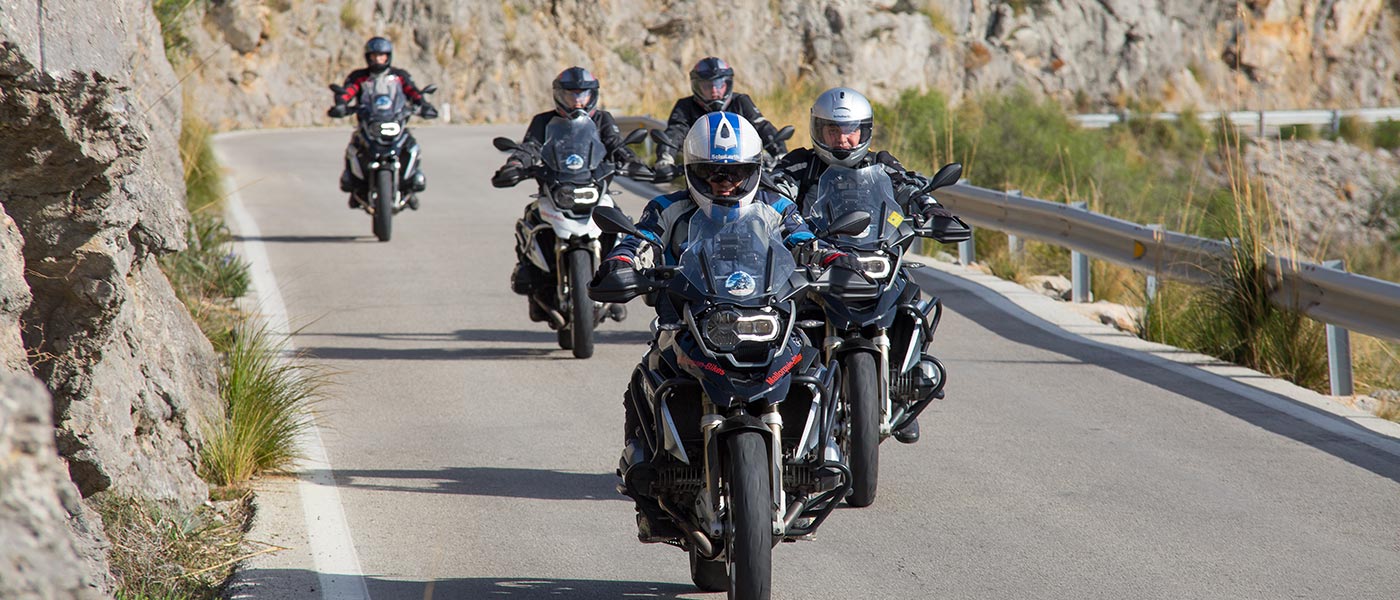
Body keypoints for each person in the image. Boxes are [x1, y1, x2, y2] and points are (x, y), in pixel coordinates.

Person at [589, 112, 868, 488]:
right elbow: (639, 239)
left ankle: (819, 452)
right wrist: (620, 262)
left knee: (812, 363)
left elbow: (803, 237)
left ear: (753, 170)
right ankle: (643, 464)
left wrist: (834, 257)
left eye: (735, 172)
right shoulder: (666, 207)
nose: (724, 182)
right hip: (688, 321)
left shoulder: (776, 206)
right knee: (649, 373)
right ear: (692, 170)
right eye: (711, 173)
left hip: (765, 312)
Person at [773, 86, 963, 444]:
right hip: (817, 263)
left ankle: (904, 384)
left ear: (864, 131)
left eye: (851, 131)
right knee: (785, 313)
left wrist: (932, 209)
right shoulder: (798, 165)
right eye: (833, 131)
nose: (843, 140)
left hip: (872, 256)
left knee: (909, 296)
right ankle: (791, 392)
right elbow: (773, 194)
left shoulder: (881, 164)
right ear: (818, 130)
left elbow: (911, 187)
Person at [491, 66, 642, 308]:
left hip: (593, 184)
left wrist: (631, 160)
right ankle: (529, 270)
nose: (577, 100)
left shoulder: (603, 119)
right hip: (556, 186)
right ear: (559, 95)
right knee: (530, 220)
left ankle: (619, 270)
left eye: (582, 94)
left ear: (592, 95)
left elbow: (615, 143)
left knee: (621, 222)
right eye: (571, 94)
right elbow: (530, 146)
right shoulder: (543, 121)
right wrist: (516, 163)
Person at [328, 36, 438, 209]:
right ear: (368, 57)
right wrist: (341, 104)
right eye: (374, 55)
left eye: (382, 55)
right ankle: (355, 185)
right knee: (354, 147)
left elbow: (413, 91)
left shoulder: (399, 76)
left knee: (410, 145)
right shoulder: (359, 77)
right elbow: (348, 91)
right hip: (370, 122)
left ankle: (410, 185)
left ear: (388, 56)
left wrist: (424, 105)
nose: (378, 59)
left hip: (394, 119)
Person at [651, 57, 788, 180]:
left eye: (719, 85)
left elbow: (762, 127)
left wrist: (781, 154)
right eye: (707, 86)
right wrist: (665, 159)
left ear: (727, 84)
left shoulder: (741, 101)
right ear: (697, 86)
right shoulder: (685, 106)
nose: (714, 91)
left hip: (742, 170)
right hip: (702, 173)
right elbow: (675, 131)